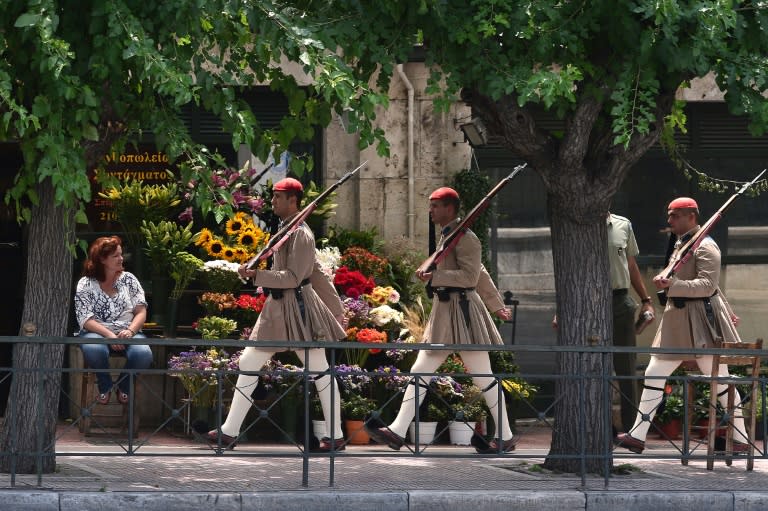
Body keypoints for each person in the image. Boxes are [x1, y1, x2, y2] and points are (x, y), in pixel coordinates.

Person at [365, 186, 516, 453]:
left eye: (435, 206)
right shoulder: (450, 236)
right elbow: (477, 272)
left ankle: (505, 435)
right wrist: (496, 305)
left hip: (464, 313)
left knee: (483, 378)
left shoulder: (466, 238)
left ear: (449, 208)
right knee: (420, 370)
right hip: (446, 312)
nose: (430, 211)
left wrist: (436, 277)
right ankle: (398, 430)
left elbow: (472, 276)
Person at [205, 177, 347, 451]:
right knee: (250, 361)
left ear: (293, 201)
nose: (271, 201)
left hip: (297, 309)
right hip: (280, 308)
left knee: (319, 370)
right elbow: (316, 272)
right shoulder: (286, 229)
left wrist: (257, 274)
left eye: (277, 197)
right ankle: (229, 431)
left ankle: (337, 434)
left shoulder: (301, 234)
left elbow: (296, 277)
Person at [615, 197, 748, 454]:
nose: (669, 221)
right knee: (655, 372)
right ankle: (638, 434)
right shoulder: (683, 243)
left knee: (720, 381)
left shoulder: (706, 247)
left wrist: (671, 285)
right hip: (679, 320)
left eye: (674, 215)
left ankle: (742, 438)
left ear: (690, 216)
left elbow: (708, 286)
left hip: (698, 322)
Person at [74, 236, 153, 405]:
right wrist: (110, 335)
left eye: (121, 254)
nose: (121, 259)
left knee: (144, 354)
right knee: (95, 350)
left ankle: (123, 386)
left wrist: (131, 331)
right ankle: (106, 386)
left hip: (128, 331)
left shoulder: (129, 279)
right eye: (116, 256)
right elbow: (85, 319)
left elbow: (141, 311)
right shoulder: (85, 283)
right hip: (96, 332)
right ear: (102, 259)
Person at [607, 212, 655, 433]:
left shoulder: (622, 224)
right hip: (588, 300)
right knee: (594, 365)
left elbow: (631, 264)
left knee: (626, 365)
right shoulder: (579, 223)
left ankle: (631, 429)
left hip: (620, 298)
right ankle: (601, 427)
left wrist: (646, 300)